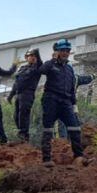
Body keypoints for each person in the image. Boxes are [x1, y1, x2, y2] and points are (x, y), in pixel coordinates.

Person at [39, 39, 87, 167]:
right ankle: (46, 159)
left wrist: (74, 105)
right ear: (58, 51)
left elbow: (71, 89)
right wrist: (53, 60)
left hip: (66, 102)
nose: (65, 53)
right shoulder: (51, 64)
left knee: (75, 127)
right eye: (63, 50)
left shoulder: (69, 69)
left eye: (67, 50)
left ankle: (79, 157)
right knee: (48, 129)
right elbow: (41, 70)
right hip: (51, 100)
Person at [6, 48, 42, 143]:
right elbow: (16, 83)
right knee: (16, 116)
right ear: (27, 57)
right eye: (30, 55)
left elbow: (40, 63)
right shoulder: (22, 68)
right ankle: (22, 134)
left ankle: (23, 135)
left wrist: (36, 52)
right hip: (19, 94)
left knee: (23, 114)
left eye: (34, 56)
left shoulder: (37, 68)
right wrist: (10, 96)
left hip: (28, 94)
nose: (32, 57)